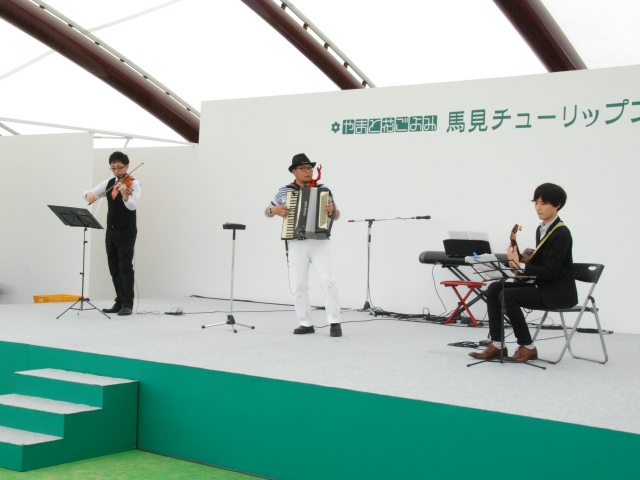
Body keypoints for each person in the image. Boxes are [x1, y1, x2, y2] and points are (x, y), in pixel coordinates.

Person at [470, 183, 578, 362]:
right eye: (536, 203)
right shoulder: (542, 229)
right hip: (543, 287)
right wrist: (518, 260)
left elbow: (551, 272)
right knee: (495, 288)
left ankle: (527, 346)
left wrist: (520, 265)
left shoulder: (561, 233)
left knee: (508, 295)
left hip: (558, 293)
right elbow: (541, 264)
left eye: (543, 203)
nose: (538, 208)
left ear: (557, 205)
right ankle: (497, 344)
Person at [265, 153, 343, 337]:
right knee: (298, 285)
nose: (308, 172)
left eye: (310, 168)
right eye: (303, 168)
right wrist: (274, 210)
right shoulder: (285, 191)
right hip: (296, 243)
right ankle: (305, 323)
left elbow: (337, 215)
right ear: (294, 171)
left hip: (320, 242)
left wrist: (332, 211)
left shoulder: (323, 189)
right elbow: (267, 211)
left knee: (327, 281)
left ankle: (334, 322)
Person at [84, 151, 142, 316]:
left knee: (125, 267)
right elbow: (87, 193)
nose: (116, 171)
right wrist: (89, 194)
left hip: (126, 231)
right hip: (111, 230)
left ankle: (127, 304)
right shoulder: (108, 183)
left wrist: (125, 196)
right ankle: (119, 301)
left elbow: (132, 206)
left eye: (119, 167)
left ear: (127, 166)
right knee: (114, 267)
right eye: (113, 168)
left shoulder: (134, 184)